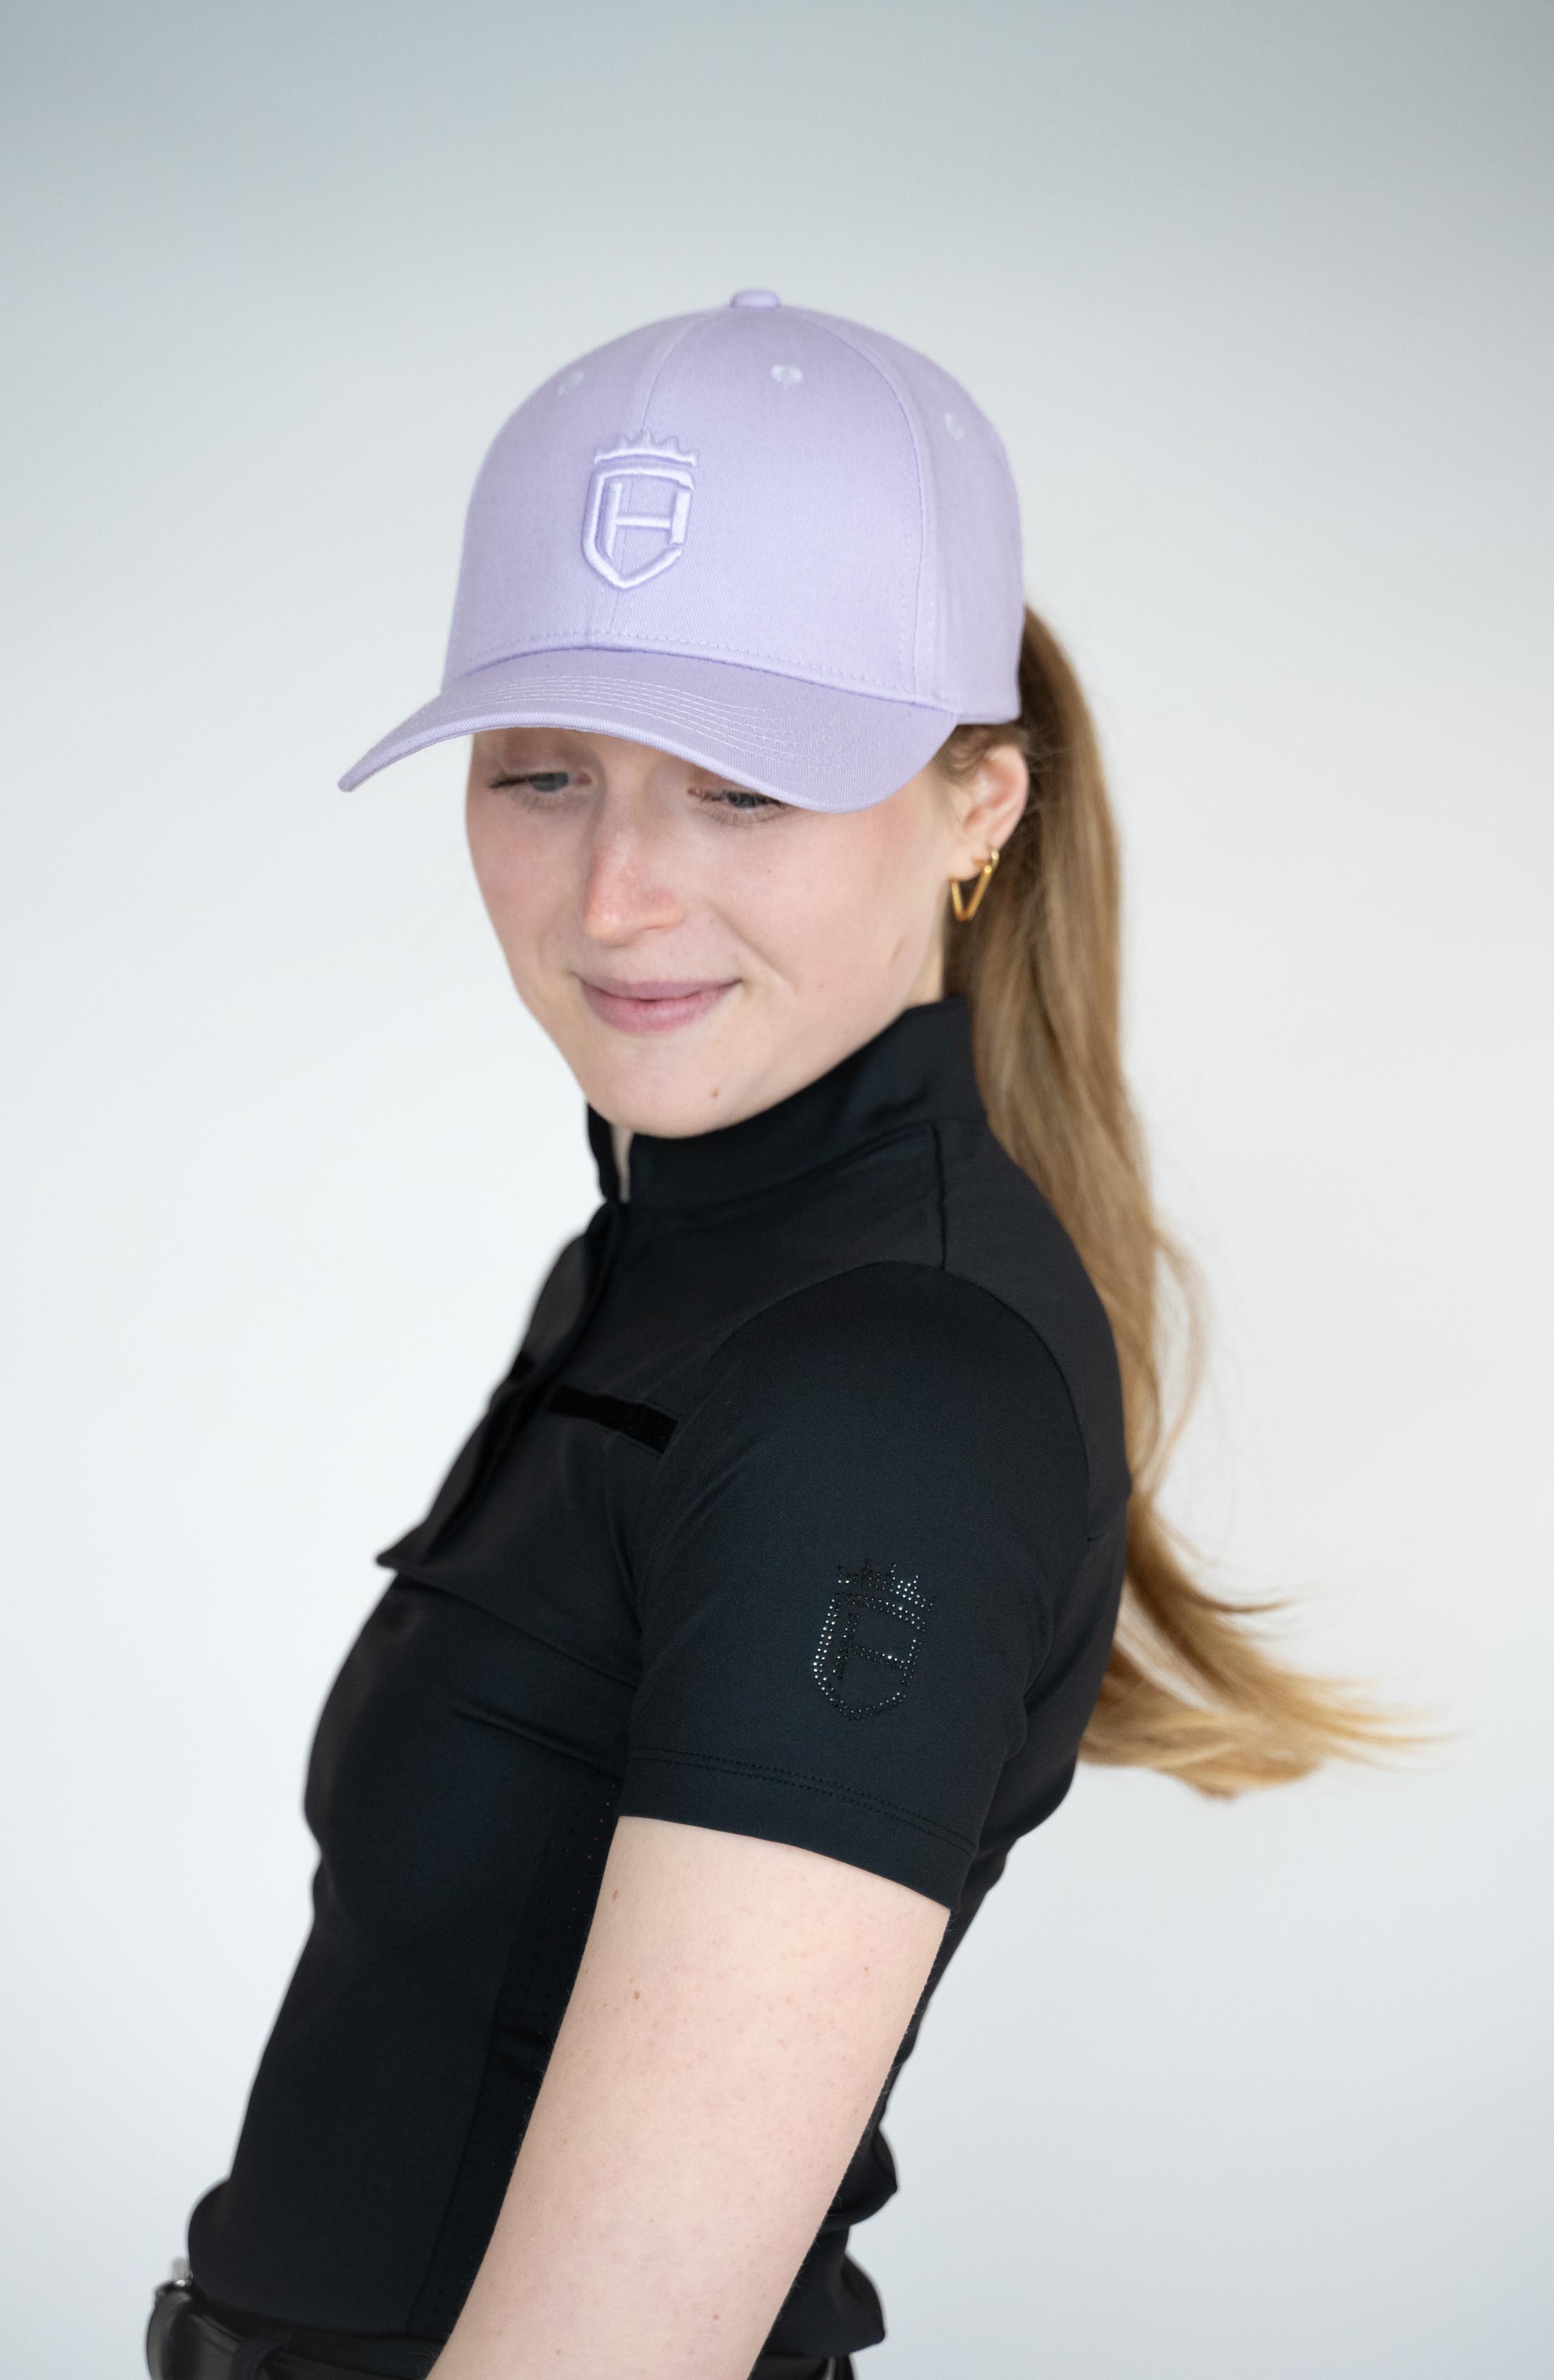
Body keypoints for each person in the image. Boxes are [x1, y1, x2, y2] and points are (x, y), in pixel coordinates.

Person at [146, 291, 1390, 2380]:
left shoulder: (881, 1389)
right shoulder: (677, 1256)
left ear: (979, 805)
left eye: (742, 790)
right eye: (543, 773)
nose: (614, 896)